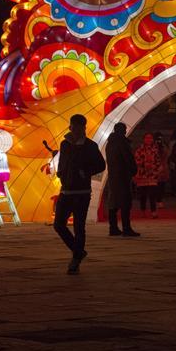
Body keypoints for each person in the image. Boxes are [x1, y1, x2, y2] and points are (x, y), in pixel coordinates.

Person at [53, 114, 106, 274]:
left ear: (83, 128)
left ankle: (76, 260)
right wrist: (61, 173)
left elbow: (101, 165)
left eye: (79, 127)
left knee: (79, 226)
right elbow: (63, 162)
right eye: (73, 126)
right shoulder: (65, 144)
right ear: (71, 127)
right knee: (59, 224)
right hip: (66, 190)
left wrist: (85, 171)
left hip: (82, 192)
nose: (75, 130)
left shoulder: (90, 146)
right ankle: (78, 251)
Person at [104, 122, 139, 237]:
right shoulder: (122, 143)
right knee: (125, 202)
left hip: (113, 175)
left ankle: (113, 227)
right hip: (123, 176)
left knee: (113, 202)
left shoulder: (110, 143)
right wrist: (133, 169)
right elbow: (128, 158)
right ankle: (126, 228)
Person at [134, 133, 162, 218]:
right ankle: (143, 211)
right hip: (142, 175)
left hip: (152, 175)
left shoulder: (155, 150)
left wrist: (156, 169)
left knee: (152, 194)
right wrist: (144, 164)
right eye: (147, 138)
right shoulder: (139, 150)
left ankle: (153, 212)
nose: (149, 139)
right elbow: (136, 160)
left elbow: (158, 161)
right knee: (143, 195)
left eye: (150, 138)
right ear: (144, 139)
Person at [155, 131, 170, 207]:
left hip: (164, 167)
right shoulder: (154, 146)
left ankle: (160, 200)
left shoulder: (164, 146)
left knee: (162, 185)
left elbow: (167, 154)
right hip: (156, 167)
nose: (159, 140)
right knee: (157, 185)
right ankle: (158, 200)